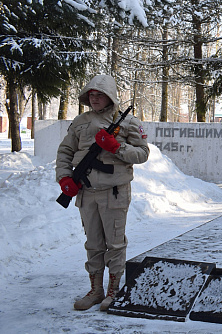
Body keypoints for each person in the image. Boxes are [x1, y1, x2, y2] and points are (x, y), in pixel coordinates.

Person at [56, 75, 149, 311]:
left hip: (114, 192)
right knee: (94, 243)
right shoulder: (80, 121)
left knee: (115, 244)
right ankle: (96, 290)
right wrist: (65, 177)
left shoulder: (127, 123)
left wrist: (117, 147)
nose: (94, 98)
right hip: (86, 192)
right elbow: (65, 151)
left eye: (100, 94)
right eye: (91, 95)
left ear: (110, 96)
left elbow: (143, 154)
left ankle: (113, 290)